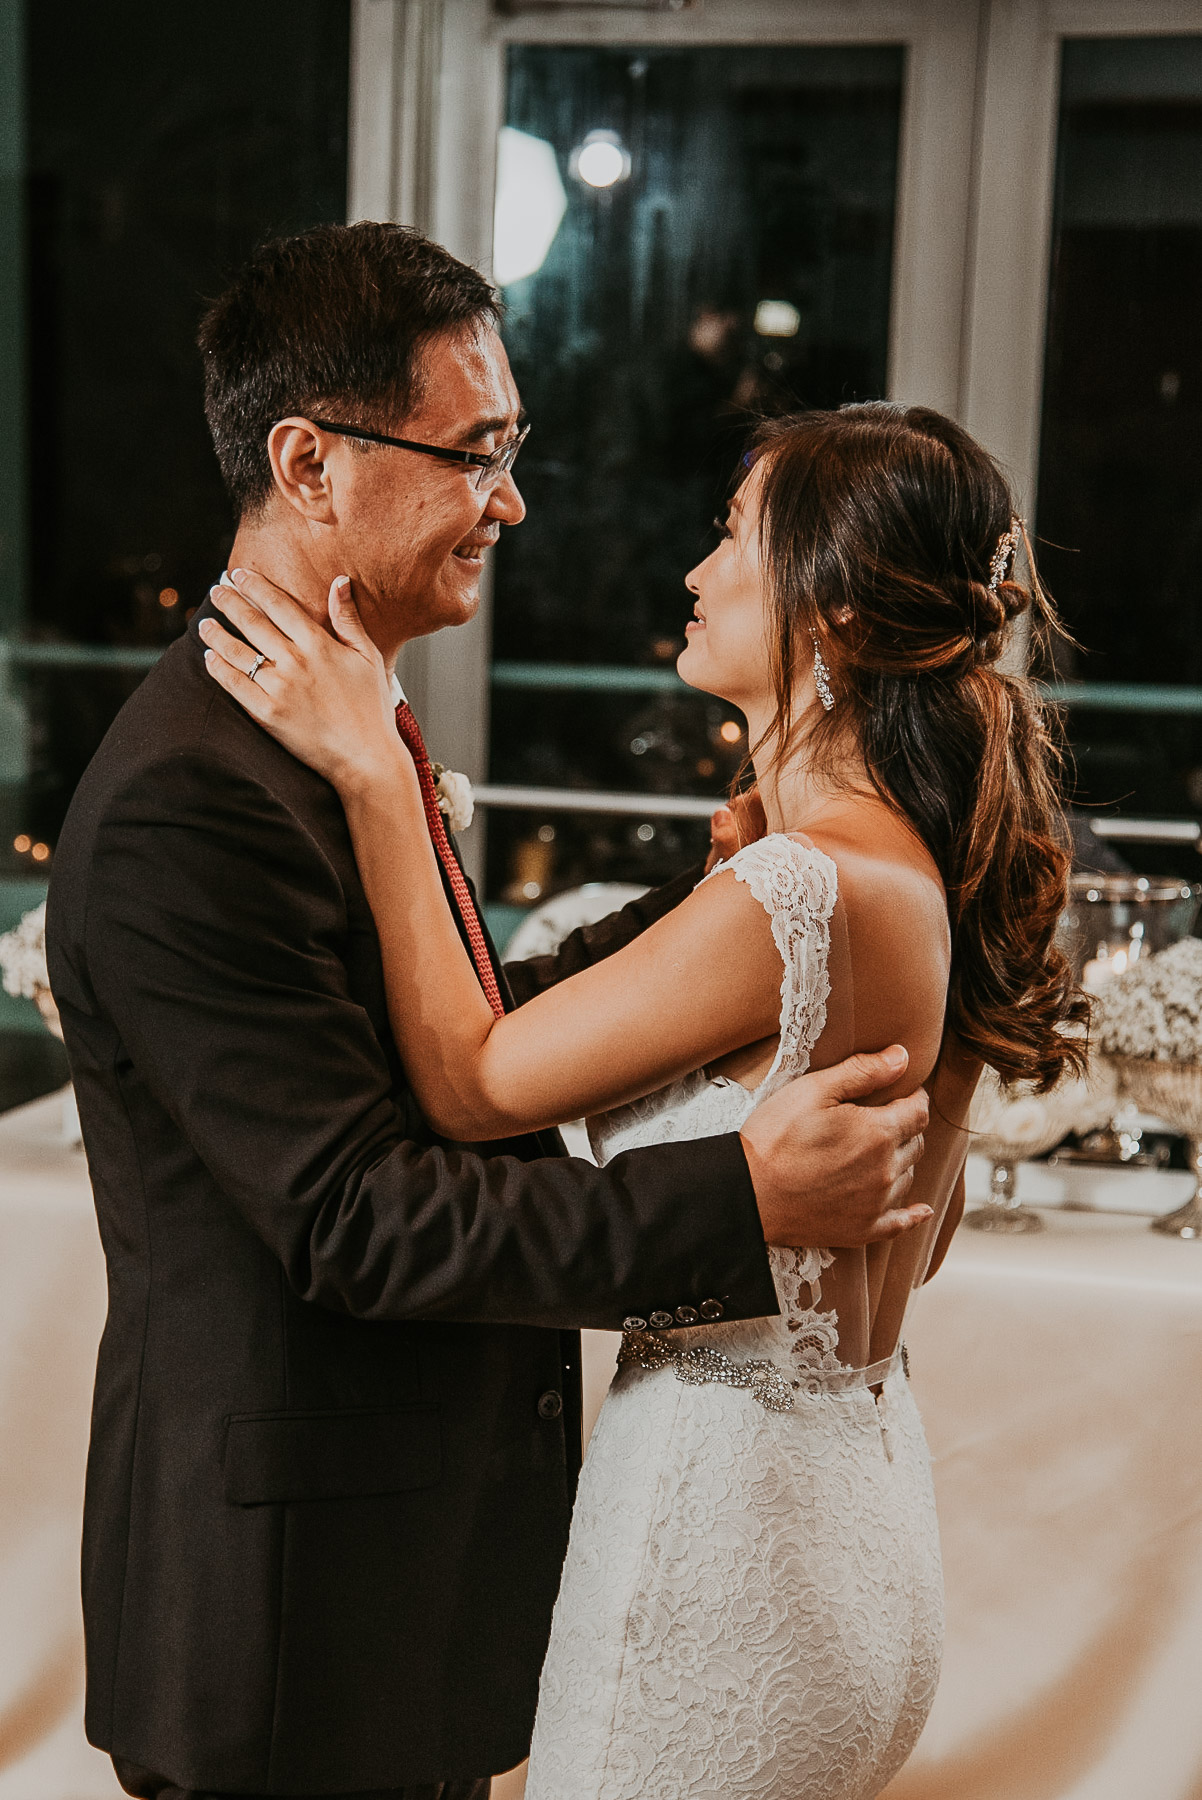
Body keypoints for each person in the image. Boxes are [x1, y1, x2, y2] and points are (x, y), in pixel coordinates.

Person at [44, 223, 931, 1800]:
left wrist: (710, 923)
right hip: (294, 1612)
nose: (508, 501)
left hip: (404, 1564)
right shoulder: (196, 792)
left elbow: (409, 1030)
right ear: (308, 462)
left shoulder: (331, 737)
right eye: (474, 453)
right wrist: (737, 1198)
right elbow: (356, 1219)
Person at [200, 396, 1087, 1799]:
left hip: (713, 1546)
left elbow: (475, 1082)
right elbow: (907, 1239)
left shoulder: (793, 890)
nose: (695, 571)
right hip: (855, 1524)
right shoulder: (916, 869)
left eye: (732, 536)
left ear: (834, 612)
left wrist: (380, 781)